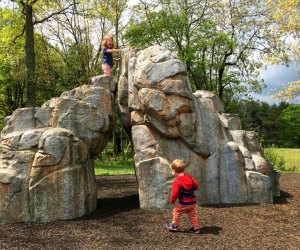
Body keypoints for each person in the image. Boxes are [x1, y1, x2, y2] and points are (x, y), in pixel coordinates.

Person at [166, 159, 200, 234]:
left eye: (171, 170)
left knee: (176, 210)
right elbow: (196, 186)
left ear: (174, 170)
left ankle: (174, 225)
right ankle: (196, 228)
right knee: (193, 214)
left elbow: (175, 193)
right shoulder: (190, 177)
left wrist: (172, 200)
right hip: (192, 202)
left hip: (184, 202)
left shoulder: (177, 181)